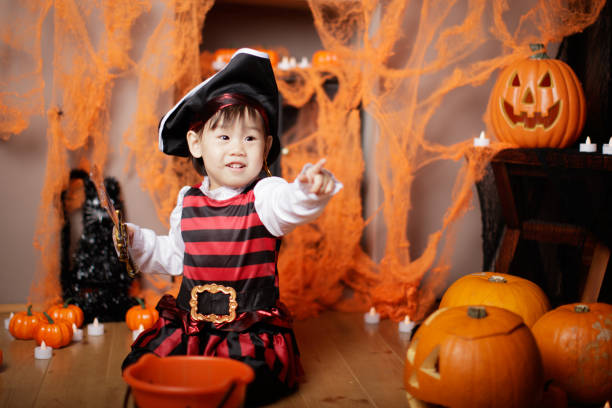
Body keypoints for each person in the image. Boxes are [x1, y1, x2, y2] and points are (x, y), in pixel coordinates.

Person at [119, 48, 342, 405]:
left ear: (266, 146)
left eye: (250, 138)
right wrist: (136, 240)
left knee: (243, 382)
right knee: (147, 366)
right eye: (224, 137)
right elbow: (175, 257)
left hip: (247, 330)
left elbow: (288, 206)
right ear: (196, 143)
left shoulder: (265, 194)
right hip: (193, 328)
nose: (237, 148)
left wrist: (307, 190)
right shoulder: (188, 202)